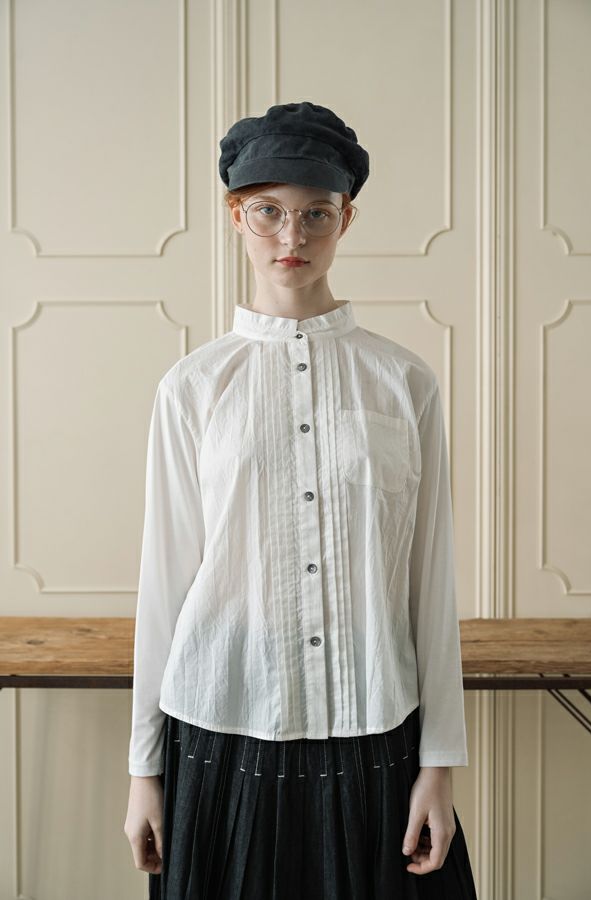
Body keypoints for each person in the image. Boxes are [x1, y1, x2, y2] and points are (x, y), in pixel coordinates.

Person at [123, 100, 478, 899]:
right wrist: (144, 770)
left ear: (345, 219)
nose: (293, 236)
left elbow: (431, 584)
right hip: (219, 733)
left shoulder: (404, 382)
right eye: (269, 212)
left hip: (375, 733)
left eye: (316, 212)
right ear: (236, 217)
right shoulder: (193, 387)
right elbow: (164, 586)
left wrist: (440, 764)